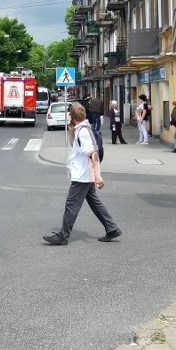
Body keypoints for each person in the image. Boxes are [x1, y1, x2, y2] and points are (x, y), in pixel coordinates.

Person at [42, 103, 121, 246]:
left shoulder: (83, 131)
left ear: (71, 116)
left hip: (83, 175)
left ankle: (63, 236)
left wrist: (98, 175)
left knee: (71, 205)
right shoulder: (80, 129)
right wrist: (71, 131)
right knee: (94, 203)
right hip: (83, 174)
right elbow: (75, 146)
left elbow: (93, 154)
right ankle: (112, 228)